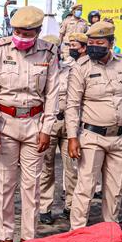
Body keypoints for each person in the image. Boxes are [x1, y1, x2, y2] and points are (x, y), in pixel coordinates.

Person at [0, 6, 60, 242]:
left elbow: (53, 94)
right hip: (5, 124)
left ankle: (29, 239)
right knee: (4, 184)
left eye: (28, 33)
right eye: (18, 32)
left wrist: (47, 129)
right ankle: (5, 237)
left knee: (31, 185)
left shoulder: (48, 53)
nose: (22, 37)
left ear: (37, 31)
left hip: (34, 126)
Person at [66, 21, 122, 230]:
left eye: (99, 42)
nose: (94, 46)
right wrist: (72, 138)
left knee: (114, 189)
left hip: (119, 138)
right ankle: (77, 233)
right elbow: (72, 105)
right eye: (91, 42)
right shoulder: (81, 67)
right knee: (85, 187)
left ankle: (110, 231)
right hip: (92, 136)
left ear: (111, 43)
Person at [38, 34, 77, 224]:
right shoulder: (39, 71)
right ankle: (45, 207)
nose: (53, 51)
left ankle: (71, 206)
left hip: (69, 124)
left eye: (56, 48)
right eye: (49, 48)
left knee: (73, 168)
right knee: (46, 168)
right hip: (48, 124)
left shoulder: (71, 69)